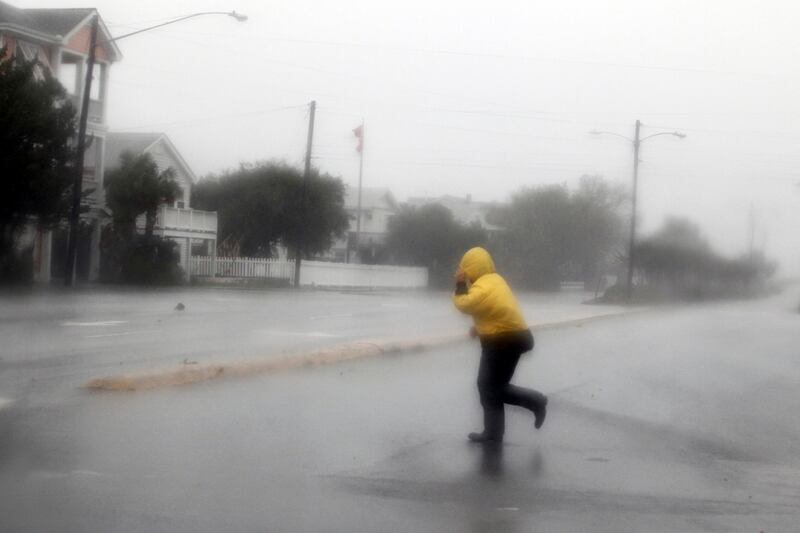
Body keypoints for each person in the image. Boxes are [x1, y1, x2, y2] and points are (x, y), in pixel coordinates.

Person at [452, 247, 548, 444]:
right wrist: (478, 329)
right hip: (512, 338)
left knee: (488, 386)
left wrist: (460, 284)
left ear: (471, 269)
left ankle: (534, 402)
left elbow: (465, 304)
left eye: (465, 270)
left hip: (502, 341)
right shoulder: (496, 281)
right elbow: (498, 311)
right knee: (494, 387)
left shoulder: (483, 287)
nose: (464, 274)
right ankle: (495, 433)